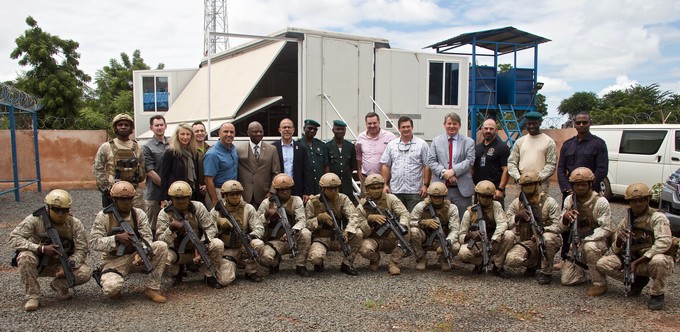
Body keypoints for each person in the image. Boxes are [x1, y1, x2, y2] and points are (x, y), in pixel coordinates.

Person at [594, 183, 676, 310]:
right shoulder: (627, 221)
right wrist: (619, 241)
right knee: (602, 263)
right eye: (634, 201)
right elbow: (615, 250)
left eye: (641, 200)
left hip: (650, 260)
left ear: (648, 199)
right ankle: (637, 281)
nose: (638, 204)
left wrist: (638, 262)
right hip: (633, 259)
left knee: (659, 260)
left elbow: (664, 242)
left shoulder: (657, 218)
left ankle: (657, 294)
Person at [9, 189, 92, 311]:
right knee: (25, 257)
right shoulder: (35, 219)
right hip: (38, 262)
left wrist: (69, 265)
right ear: (48, 208)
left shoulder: (75, 224)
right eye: (56, 209)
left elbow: (82, 248)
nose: (60, 213)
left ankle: (59, 286)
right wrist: (40, 248)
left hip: (60, 264)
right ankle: (33, 296)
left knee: (85, 272)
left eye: (64, 210)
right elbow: (14, 238)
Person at [89, 181, 169, 303]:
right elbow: (94, 242)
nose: (126, 202)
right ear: (114, 199)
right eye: (122, 199)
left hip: (134, 256)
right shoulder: (104, 216)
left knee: (161, 246)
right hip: (113, 260)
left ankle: (152, 288)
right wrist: (115, 239)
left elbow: (147, 238)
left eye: (129, 198)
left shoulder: (138, 214)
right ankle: (109, 281)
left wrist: (142, 251)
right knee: (112, 289)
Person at [557, 112, 608, 265]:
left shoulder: (598, 144)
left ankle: (588, 257)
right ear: (574, 124)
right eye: (578, 122)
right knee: (567, 224)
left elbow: (602, 169)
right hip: (571, 193)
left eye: (584, 122)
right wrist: (568, 188)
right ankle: (565, 257)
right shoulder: (568, 144)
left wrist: (587, 188)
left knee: (590, 224)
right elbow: (561, 169)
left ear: (589, 123)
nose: (581, 125)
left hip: (590, 194)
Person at [156, 181, 225, 289]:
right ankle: (175, 273)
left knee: (218, 244)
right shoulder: (165, 213)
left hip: (197, 249)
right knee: (161, 254)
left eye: (184, 198)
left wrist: (203, 242)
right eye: (177, 198)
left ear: (189, 197)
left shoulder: (198, 207)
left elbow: (211, 227)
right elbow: (160, 240)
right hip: (175, 251)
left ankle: (209, 274)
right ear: (171, 198)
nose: (181, 201)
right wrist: (171, 229)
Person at [558, 167, 613, 295]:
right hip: (576, 242)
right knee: (567, 280)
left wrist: (585, 240)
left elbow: (606, 228)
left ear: (590, 183)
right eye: (577, 185)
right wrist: (565, 218)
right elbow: (562, 228)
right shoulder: (569, 200)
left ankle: (600, 283)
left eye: (583, 184)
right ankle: (586, 271)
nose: (580, 187)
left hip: (596, 241)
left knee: (590, 248)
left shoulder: (600, 202)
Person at [505, 171, 563, 284]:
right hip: (525, 241)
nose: (528, 187)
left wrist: (544, 231)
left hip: (545, 238)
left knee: (548, 239)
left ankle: (546, 272)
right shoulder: (516, 203)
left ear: (538, 184)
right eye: (526, 185)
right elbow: (505, 223)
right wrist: (516, 217)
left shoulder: (549, 202)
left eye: (531, 184)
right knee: (512, 260)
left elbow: (559, 226)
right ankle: (533, 264)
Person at [305, 173, 363, 275]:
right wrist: (318, 219)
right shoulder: (313, 202)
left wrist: (347, 231)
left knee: (358, 233)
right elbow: (306, 224)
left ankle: (347, 264)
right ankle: (319, 263)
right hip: (321, 238)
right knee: (315, 258)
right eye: (330, 189)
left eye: (336, 188)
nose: (334, 191)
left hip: (338, 237)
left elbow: (354, 216)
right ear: (323, 188)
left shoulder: (342, 198)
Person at [256, 173, 312, 276]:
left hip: (292, 237)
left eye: (288, 189)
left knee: (306, 233)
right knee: (265, 259)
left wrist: (291, 232)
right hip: (275, 241)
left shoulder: (296, 200)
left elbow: (302, 220)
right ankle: (275, 261)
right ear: (277, 190)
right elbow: (256, 224)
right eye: (282, 190)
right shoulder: (267, 203)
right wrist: (266, 214)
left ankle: (300, 265)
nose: (285, 192)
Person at [355, 174, 411, 275]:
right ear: (367, 189)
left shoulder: (391, 199)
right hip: (373, 238)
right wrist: (370, 220)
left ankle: (393, 263)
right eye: (373, 188)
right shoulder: (362, 206)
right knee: (365, 250)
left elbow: (404, 213)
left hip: (391, 235)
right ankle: (375, 259)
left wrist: (402, 225)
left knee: (406, 232)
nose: (376, 190)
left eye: (379, 187)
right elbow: (359, 226)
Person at [212, 180, 266, 283]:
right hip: (227, 249)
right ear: (225, 195)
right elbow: (208, 232)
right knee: (224, 280)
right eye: (232, 194)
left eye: (238, 194)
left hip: (243, 245)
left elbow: (259, 228)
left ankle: (251, 271)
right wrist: (219, 224)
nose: (235, 196)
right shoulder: (217, 211)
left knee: (258, 244)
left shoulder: (248, 208)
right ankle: (233, 263)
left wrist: (250, 237)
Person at [457, 180, 515, 278]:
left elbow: (502, 224)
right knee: (463, 253)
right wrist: (470, 235)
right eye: (483, 196)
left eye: (488, 197)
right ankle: (479, 263)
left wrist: (494, 240)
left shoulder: (496, 206)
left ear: (492, 197)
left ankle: (498, 266)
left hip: (494, 242)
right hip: (478, 245)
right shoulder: (470, 212)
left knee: (509, 235)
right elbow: (461, 236)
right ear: (478, 196)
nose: (485, 199)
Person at [427, 112, 475, 217]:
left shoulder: (469, 142)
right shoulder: (436, 141)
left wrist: (453, 171)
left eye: (455, 123)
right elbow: (431, 161)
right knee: (441, 219)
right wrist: (444, 172)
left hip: (461, 189)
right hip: (440, 188)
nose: (452, 126)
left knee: (463, 220)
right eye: (449, 123)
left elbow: (470, 160)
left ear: (459, 125)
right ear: (444, 125)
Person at [93, 113, 146, 209]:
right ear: (115, 128)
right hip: (114, 193)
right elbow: (97, 167)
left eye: (126, 125)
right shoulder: (106, 146)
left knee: (137, 219)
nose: (123, 127)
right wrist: (106, 187)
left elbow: (142, 166)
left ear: (131, 128)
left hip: (135, 193)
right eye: (120, 125)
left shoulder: (137, 147)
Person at [381, 116, 431, 212]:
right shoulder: (392, 145)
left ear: (412, 127)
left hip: (415, 191)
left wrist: (425, 185)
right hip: (395, 190)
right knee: (397, 220)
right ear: (399, 128)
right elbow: (386, 165)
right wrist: (385, 185)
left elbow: (427, 165)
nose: (406, 129)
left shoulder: (422, 144)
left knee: (414, 220)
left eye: (408, 126)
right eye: (403, 127)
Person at [408, 182, 461, 271]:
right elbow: (410, 222)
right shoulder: (421, 206)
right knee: (413, 232)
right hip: (425, 238)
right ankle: (421, 258)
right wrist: (423, 222)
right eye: (434, 197)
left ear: (444, 196)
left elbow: (455, 230)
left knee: (456, 246)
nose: (437, 199)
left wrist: (447, 243)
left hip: (443, 238)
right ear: (430, 196)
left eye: (439, 197)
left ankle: (444, 259)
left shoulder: (452, 208)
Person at [507, 111, 557, 192]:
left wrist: (537, 179)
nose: (531, 126)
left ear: (540, 123)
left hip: (540, 184)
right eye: (529, 124)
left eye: (534, 123)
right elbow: (511, 162)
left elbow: (551, 164)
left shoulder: (549, 141)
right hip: (522, 184)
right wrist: (518, 178)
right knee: (520, 204)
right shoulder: (519, 142)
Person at [238, 121, 281, 207]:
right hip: (245, 195)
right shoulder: (239, 149)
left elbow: (276, 173)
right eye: (255, 131)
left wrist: (272, 192)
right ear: (248, 133)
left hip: (265, 195)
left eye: (261, 131)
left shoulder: (272, 149)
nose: (258, 134)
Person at [272, 118, 312, 202]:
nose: (287, 130)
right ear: (279, 130)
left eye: (289, 127)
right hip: (278, 189)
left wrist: (306, 192)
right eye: (284, 127)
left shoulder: (301, 148)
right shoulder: (273, 148)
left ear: (293, 130)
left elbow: (306, 172)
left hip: (297, 190)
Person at [472, 118, 509, 207]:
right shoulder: (477, 148)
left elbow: (506, 170)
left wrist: (500, 189)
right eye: (486, 128)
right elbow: (472, 169)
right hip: (479, 192)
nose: (488, 131)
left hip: (494, 192)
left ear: (496, 130)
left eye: (491, 129)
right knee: (477, 218)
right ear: (482, 130)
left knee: (496, 219)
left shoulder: (502, 148)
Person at [356, 112, 396, 193]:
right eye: (369, 123)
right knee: (365, 203)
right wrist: (359, 169)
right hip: (366, 179)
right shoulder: (361, 137)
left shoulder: (390, 137)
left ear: (379, 122)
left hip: (384, 180)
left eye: (374, 123)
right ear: (366, 124)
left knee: (384, 204)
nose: (372, 126)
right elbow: (359, 155)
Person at [159, 124, 200, 202]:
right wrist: (163, 198)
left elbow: (196, 176)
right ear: (177, 135)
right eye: (182, 134)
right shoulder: (171, 152)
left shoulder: (194, 153)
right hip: (176, 194)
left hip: (191, 193)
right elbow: (164, 176)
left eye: (188, 134)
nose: (185, 137)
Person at [142, 115, 168, 237]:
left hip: (171, 194)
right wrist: (166, 187)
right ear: (151, 128)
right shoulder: (147, 147)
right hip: (154, 194)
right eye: (156, 125)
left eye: (161, 125)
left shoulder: (172, 144)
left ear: (165, 126)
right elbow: (150, 172)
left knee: (168, 226)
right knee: (153, 226)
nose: (159, 127)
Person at [204, 122, 238, 207]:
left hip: (233, 192)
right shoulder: (212, 154)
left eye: (231, 132)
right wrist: (215, 201)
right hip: (218, 193)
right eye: (226, 131)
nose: (229, 134)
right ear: (219, 133)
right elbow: (208, 180)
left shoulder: (233, 149)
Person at [327, 120, 358, 204]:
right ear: (333, 130)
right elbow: (326, 166)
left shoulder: (350, 146)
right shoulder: (327, 146)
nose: (340, 131)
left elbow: (352, 166)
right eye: (337, 129)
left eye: (342, 129)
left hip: (346, 185)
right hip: (332, 185)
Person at [297, 119, 329, 195]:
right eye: (310, 128)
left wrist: (326, 182)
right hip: (305, 186)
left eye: (315, 129)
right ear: (304, 128)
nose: (312, 131)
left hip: (319, 186)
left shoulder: (321, 145)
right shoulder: (298, 145)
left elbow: (326, 166)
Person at [192, 121, 211, 206]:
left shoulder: (211, 149)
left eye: (202, 131)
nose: (200, 133)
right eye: (196, 131)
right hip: (194, 192)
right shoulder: (189, 152)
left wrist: (207, 186)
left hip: (210, 189)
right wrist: (197, 186)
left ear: (206, 132)